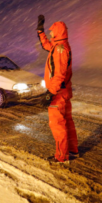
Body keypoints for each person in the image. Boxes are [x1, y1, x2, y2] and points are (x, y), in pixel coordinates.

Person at [36, 15, 78, 164]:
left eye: (51, 31)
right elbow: (47, 46)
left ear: (58, 32)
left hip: (58, 93)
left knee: (58, 125)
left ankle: (61, 157)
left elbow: (59, 75)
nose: (50, 34)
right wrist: (40, 32)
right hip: (64, 92)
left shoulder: (60, 49)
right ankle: (72, 150)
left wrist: (50, 94)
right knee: (67, 122)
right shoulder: (60, 45)